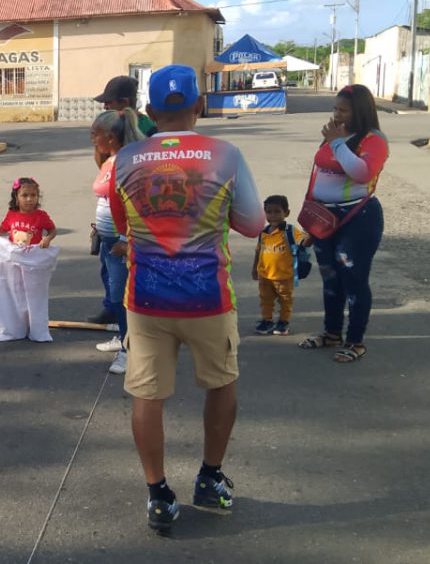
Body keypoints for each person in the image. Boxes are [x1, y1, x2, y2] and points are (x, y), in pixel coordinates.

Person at [109, 65, 264, 533]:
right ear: (200, 105)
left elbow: (121, 224)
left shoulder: (126, 159)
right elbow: (254, 223)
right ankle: (210, 478)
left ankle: (158, 495)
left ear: (151, 111)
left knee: (147, 395)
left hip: (147, 301)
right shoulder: (226, 155)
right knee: (220, 384)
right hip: (208, 299)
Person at [297, 84, 388, 363]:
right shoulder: (334, 135)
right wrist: (309, 220)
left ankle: (355, 340)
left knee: (353, 279)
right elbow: (319, 174)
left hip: (357, 218)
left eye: (343, 109)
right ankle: (332, 332)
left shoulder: (373, 140)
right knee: (330, 278)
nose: (337, 113)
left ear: (359, 111)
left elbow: (362, 172)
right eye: (335, 108)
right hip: (324, 217)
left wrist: (337, 143)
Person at [88, 107, 148, 374]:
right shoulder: (112, 159)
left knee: (123, 297)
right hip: (107, 236)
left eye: (95, 134)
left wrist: (126, 239)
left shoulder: (127, 162)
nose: (92, 139)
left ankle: (129, 351)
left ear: (111, 137)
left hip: (120, 239)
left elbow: (135, 203)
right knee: (115, 295)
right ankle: (124, 339)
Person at [252, 195, 309, 337]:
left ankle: (283, 322)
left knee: (285, 300)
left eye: (277, 211)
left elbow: (304, 241)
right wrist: (254, 269)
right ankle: (267, 320)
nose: (273, 215)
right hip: (265, 275)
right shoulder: (264, 232)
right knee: (265, 299)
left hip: (284, 275)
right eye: (269, 212)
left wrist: (312, 234)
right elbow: (258, 251)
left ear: (287, 213)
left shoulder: (290, 231)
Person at [0, 177, 55, 247]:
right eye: (24, 195)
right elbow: (3, 227)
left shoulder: (41, 215)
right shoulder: (12, 214)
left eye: (33, 195)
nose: (29, 199)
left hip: (33, 254)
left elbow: (52, 229)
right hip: (15, 253)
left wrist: (47, 239)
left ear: (38, 196)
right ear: (16, 197)